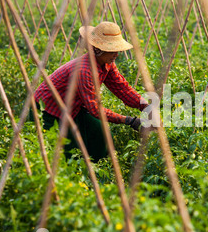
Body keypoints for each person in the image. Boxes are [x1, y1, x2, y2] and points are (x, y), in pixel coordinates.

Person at [33, 21, 148, 162]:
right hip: (50, 110)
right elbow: (94, 109)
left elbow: (121, 87)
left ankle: (99, 172)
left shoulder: (107, 63)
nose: (116, 55)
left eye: (117, 50)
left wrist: (145, 105)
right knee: (69, 152)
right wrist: (130, 121)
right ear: (98, 50)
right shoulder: (84, 70)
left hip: (74, 107)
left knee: (101, 136)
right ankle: (81, 177)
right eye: (112, 50)